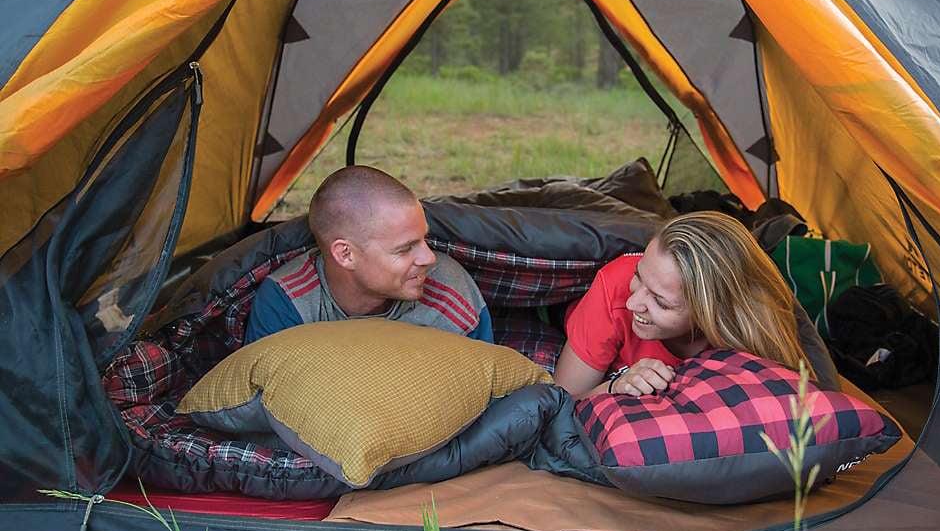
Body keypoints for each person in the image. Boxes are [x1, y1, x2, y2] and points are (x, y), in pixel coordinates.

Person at [553, 210, 832, 399]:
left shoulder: (752, 330)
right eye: (639, 276)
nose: (632, 302)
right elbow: (562, 402)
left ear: (712, 313)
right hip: (577, 321)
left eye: (660, 301)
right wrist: (614, 388)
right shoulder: (615, 287)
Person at [245, 166, 493, 345]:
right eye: (405, 248)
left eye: (424, 239)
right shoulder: (288, 303)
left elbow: (486, 388)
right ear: (345, 254)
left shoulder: (449, 291)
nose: (429, 258)